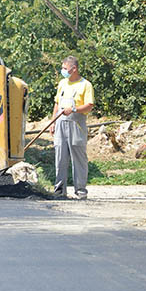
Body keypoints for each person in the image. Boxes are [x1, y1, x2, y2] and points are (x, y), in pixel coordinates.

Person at [50, 56, 94, 199]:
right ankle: (59, 189)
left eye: (64, 68)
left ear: (73, 69)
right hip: (61, 122)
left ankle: (80, 190)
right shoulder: (63, 83)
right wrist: (53, 121)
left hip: (76, 123)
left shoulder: (85, 85)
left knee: (78, 157)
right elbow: (57, 103)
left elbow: (89, 105)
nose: (63, 71)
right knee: (60, 156)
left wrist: (74, 109)